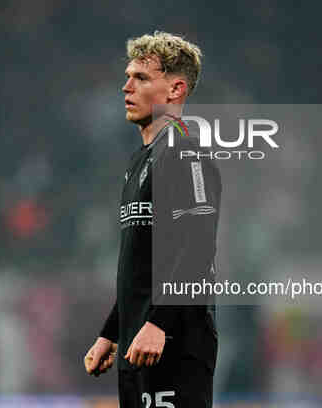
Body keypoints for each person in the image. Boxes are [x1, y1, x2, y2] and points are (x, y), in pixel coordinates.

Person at [84, 31, 221, 408]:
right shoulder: (139, 163)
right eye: (128, 76)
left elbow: (197, 249)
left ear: (175, 90)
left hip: (173, 344)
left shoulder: (185, 154)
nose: (126, 86)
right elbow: (140, 267)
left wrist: (160, 323)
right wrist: (111, 332)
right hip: (137, 344)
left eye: (141, 78)